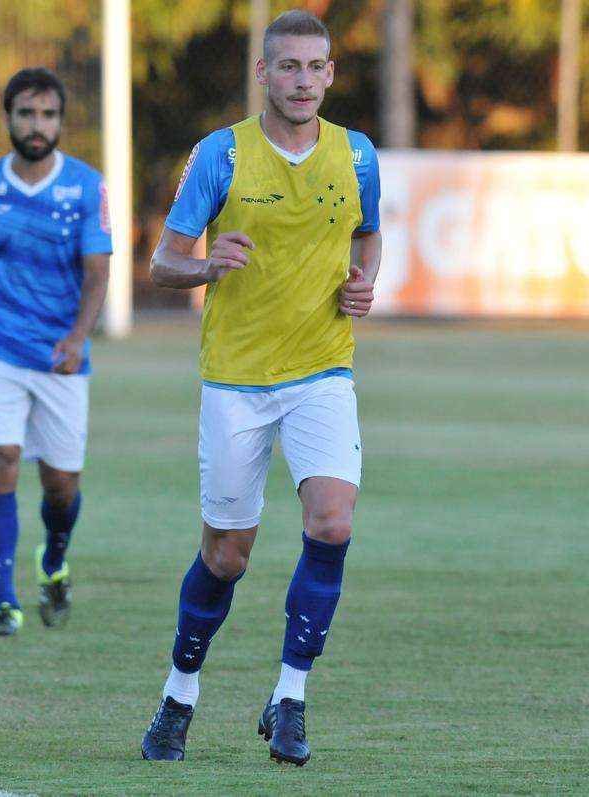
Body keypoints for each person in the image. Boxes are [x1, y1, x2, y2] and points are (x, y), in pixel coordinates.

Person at [138, 10, 381, 765]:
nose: (302, 81)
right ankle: (179, 695)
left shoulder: (358, 154)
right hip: (236, 381)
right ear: (264, 72)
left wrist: (365, 281)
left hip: (322, 370)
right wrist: (206, 266)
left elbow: (368, 232)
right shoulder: (222, 154)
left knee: (332, 523)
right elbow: (161, 264)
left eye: (315, 67)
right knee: (226, 555)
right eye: (288, 66)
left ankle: (291, 697)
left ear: (330, 74)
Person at [0, 67, 111, 636]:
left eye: (48, 115)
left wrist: (77, 337)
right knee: (0, 459)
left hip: (60, 357)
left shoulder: (86, 187)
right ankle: (4, 603)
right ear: (8, 117)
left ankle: (53, 558)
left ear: (61, 122)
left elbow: (97, 272)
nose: (37, 125)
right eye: (27, 113)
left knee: (61, 485)